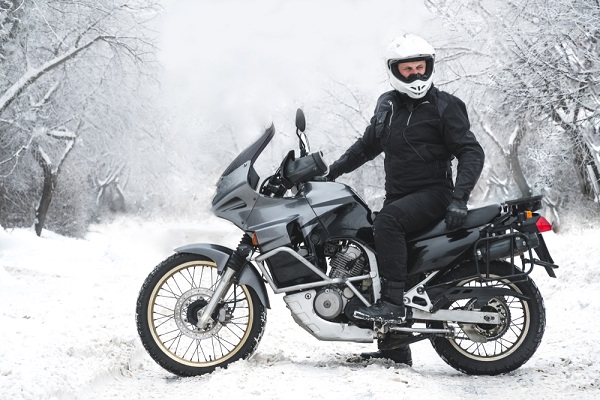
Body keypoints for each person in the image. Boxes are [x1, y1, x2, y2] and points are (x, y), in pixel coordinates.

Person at [325, 34, 485, 365]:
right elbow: (367, 146)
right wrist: (332, 172)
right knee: (371, 244)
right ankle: (394, 349)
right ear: (394, 71)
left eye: (420, 67)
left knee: (388, 222)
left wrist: (459, 198)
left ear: (430, 68)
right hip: (400, 195)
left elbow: (470, 151)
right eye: (408, 69)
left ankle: (393, 306)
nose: (415, 76)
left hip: (434, 194)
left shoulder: (445, 106)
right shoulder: (387, 105)